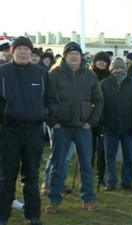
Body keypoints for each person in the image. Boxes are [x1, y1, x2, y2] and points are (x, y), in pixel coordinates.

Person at [0, 36, 56, 225]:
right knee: (6, 176)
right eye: (19, 49)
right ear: (12, 52)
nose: (23, 52)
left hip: (33, 131)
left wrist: (45, 113)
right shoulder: (2, 72)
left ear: (31, 52)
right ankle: (2, 215)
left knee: (31, 175)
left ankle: (33, 216)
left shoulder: (41, 73)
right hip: (9, 132)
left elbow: (50, 100)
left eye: (26, 49)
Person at [46, 42, 104, 213]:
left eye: (77, 53)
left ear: (81, 57)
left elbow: (99, 100)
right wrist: (53, 122)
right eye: (70, 53)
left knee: (86, 164)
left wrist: (91, 122)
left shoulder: (90, 75)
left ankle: (88, 199)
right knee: (58, 164)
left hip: (82, 127)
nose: (74, 56)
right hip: (61, 127)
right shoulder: (54, 75)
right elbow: (47, 99)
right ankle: (54, 200)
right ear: (64, 56)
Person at [101, 57, 132, 191]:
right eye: (115, 68)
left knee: (128, 157)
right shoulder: (104, 84)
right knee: (110, 158)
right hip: (110, 127)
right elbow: (101, 105)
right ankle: (110, 182)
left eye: (121, 68)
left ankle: (127, 181)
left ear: (125, 69)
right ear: (111, 69)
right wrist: (102, 123)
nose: (118, 70)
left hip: (129, 127)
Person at [90, 51, 111, 187]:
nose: (102, 63)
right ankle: (87, 175)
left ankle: (100, 176)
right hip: (90, 118)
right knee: (89, 150)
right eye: (99, 60)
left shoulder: (109, 78)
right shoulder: (89, 76)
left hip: (104, 118)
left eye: (104, 61)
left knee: (103, 151)